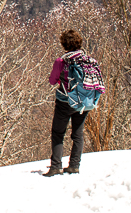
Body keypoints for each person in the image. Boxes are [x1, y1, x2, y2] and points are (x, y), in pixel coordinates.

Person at [43, 29, 105, 177]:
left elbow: (52, 81)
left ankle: (56, 166)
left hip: (65, 101)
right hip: (84, 102)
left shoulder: (61, 61)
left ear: (64, 44)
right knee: (78, 134)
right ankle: (74, 166)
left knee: (58, 133)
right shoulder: (88, 60)